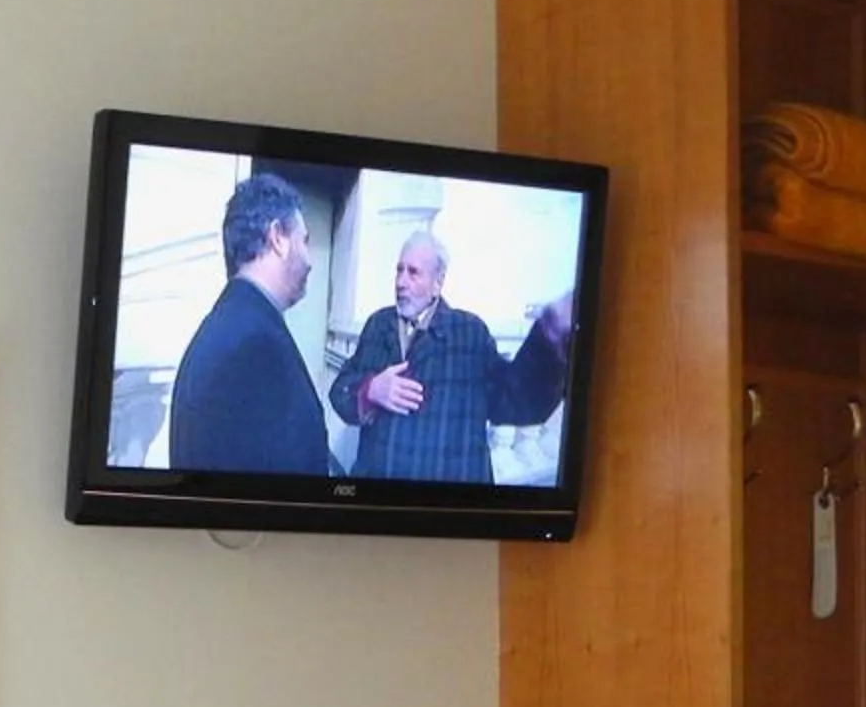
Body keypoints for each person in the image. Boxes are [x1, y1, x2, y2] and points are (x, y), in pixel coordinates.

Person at [328, 230, 572, 484]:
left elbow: (516, 402)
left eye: (413, 272)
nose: (400, 282)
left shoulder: (470, 333)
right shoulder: (379, 325)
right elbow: (339, 392)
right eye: (399, 270)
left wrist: (549, 337)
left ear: (438, 282)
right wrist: (370, 390)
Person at [166, 174, 332, 476]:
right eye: (304, 241)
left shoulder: (232, 324)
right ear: (278, 238)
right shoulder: (254, 345)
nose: (309, 261)